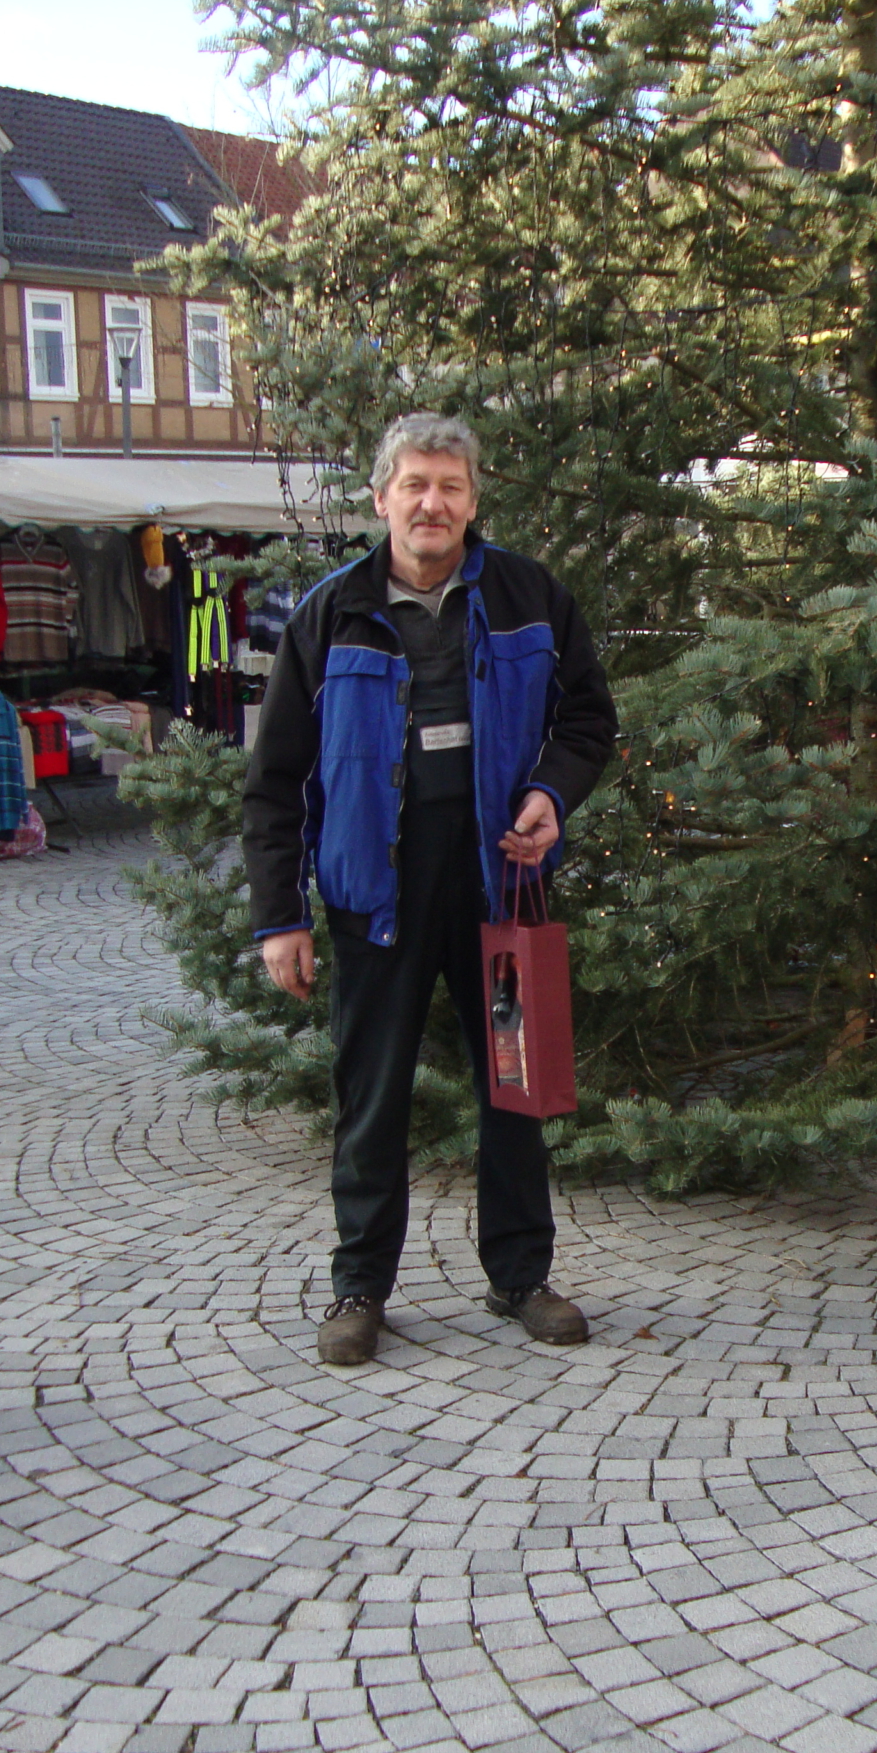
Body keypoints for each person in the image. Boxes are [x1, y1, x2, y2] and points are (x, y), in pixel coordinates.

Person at [244, 416, 619, 1366]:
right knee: (370, 1094)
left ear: (473, 500)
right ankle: (359, 1285)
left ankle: (521, 1277)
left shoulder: (530, 596)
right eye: (414, 484)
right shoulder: (330, 616)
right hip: (377, 898)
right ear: (381, 499)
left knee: (516, 1089)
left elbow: (588, 719)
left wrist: (549, 792)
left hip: (499, 888)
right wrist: (280, 917)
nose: (432, 503)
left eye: (450, 486)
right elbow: (276, 778)